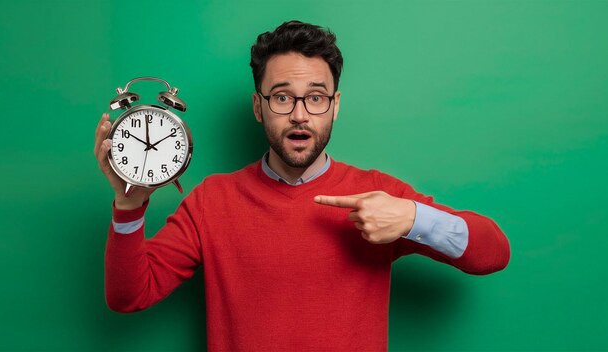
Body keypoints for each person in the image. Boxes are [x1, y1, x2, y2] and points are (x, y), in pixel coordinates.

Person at [94, 20, 510, 351]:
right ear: (259, 107)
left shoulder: (378, 195)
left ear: (335, 106)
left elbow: (493, 253)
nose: (299, 115)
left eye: (315, 97)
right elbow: (129, 296)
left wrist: (414, 217)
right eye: (281, 97)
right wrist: (128, 204)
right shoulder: (211, 202)